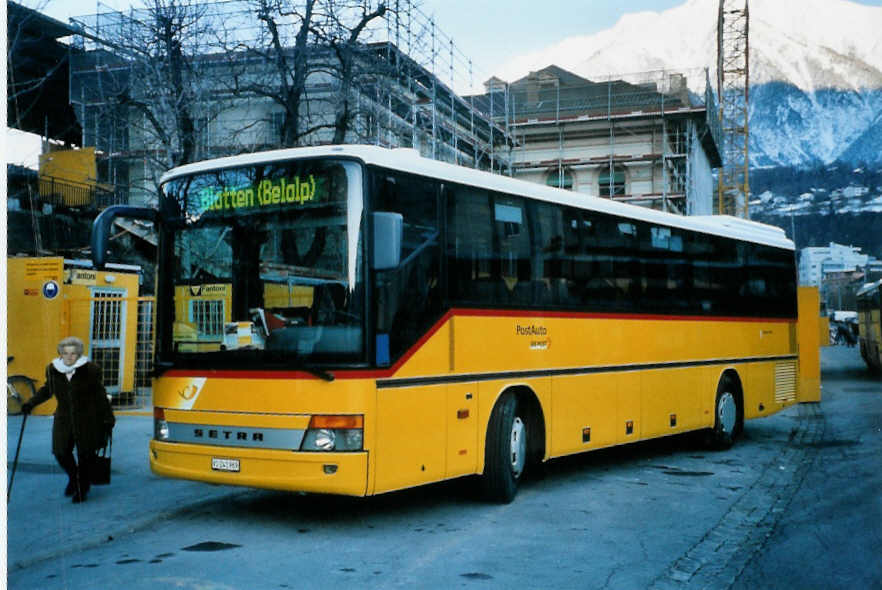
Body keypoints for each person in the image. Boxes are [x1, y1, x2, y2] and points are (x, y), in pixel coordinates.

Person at [21, 337, 115, 503]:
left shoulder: (91, 370)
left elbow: (100, 395)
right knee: (60, 451)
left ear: (79, 354)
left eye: (73, 353)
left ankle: (82, 488)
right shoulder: (52, 369)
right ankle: (74, 477)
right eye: (65, 353)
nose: (69, 356)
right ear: (60, 354)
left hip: (87, 418)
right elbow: (47, 390)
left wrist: (108, 417)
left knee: (86, 454)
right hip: (63, 417)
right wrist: (30, 403)